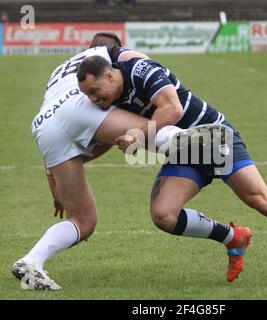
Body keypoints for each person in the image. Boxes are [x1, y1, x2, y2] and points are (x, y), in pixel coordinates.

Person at [76, 54, 267, 283]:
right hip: (183, 150)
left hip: (213, 137)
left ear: (110, 76)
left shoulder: (141, 70)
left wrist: (138, 135)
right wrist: (73, 162)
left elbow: (171, 109)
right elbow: (106, 138)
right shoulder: (110, 101)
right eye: (87, 95)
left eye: (93, 91)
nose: (93, 99)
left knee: (260, 200)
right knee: (163, 215)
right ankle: (234, 237)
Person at [11, 33, 209, 290]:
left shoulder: (60, 68)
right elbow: (149, 79)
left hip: (43, 125)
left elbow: (77, 136)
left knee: (84, 221)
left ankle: (32, 261)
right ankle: (208, 146)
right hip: (77, 107)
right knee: (147, 128)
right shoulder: (113, 57)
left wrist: (58, 187)